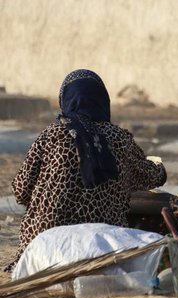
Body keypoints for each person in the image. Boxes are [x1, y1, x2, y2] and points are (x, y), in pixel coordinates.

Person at [5, 69, 167, 272]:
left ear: (65, 99)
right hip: (102, 249)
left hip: (44, 245)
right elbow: (153, 176)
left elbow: (20, 190)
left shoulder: (52, 134)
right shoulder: (120, 139)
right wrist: (157, 166)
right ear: (102, 100)